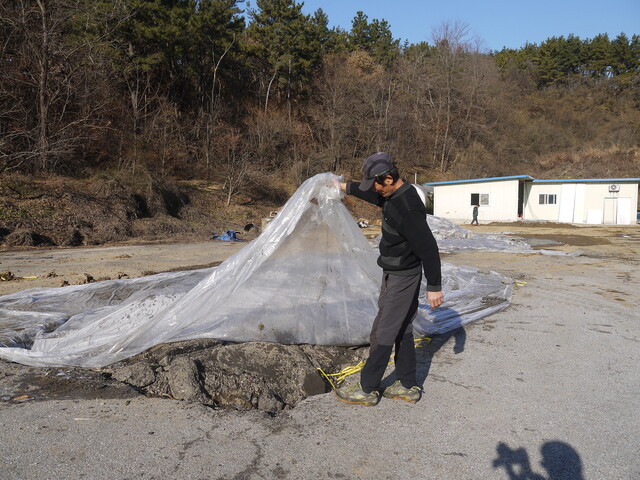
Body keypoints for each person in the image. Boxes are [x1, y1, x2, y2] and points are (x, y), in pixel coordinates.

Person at [335, 152, 444, 406]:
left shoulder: (406, 207)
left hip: (403, 277)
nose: (373, 190)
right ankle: (407, 384)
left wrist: (435, 287)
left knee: (382, 330)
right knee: (401, 328)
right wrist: (342, 187)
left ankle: (367, 388)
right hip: (395, 272)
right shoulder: (392, 194)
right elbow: (370, 194)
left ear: (388, 178)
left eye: (375, 184)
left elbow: (428, 248)